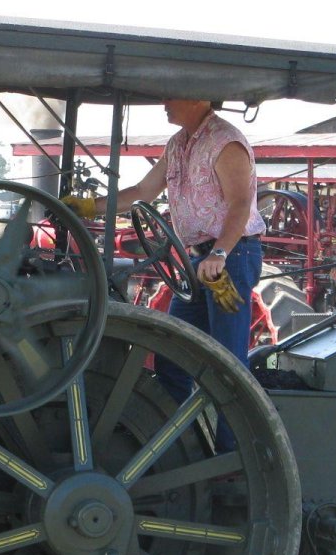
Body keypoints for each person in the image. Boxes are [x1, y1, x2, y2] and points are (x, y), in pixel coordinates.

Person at [65, 100, 265, 450]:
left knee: (229, 363)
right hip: (199, 260)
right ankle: (168, 450)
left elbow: (240, 204)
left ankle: (233, 459)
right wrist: (89, 207)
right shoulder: (178, 143)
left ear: (200, 98)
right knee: (174, 355)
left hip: (230, 258)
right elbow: (143, 192)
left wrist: (220, 253)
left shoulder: (226, 142)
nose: (164, 103)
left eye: (173, 96)